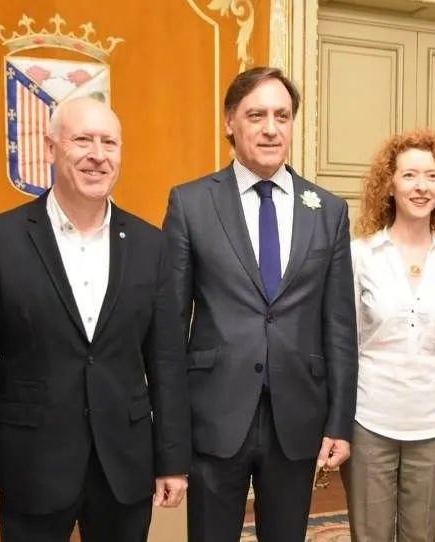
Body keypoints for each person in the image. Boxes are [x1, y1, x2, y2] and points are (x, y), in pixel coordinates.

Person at [0, 96, 191, 542]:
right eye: (82, 140)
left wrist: (172, 460)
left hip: (124, 466)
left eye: (109, 143)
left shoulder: (151, 246)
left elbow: (167, 362)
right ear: (51, 148)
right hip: (32, 467)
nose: (98, 155)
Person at [163, 66, 358, 542]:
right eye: (256, 115)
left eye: (282, 115)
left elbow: (339, 324)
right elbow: (167, 327)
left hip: (297, 416)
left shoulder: (327, 210)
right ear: (230, 121)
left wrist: (339, 421)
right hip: (214, 414)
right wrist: (169, 437)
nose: (271, 128)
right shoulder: (191, 204)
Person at [341, 129, 435, 542]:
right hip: (368, 421)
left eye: (431, 176)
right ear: (390, 184)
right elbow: (344, 346)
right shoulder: (359, 255)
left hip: (433, 425)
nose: (421, 187)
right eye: (410, 175)